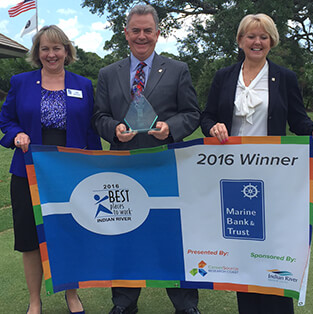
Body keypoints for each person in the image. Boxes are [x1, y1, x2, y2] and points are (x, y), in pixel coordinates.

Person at [200, 13, 313, 314]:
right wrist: (213, 127)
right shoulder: (224, 76)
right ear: (240, 40)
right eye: (251, 36)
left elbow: (299, 120)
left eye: (263, 36)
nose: (257, 41)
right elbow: (206, 116)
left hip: (273, 177)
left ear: (271, 41)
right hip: (231, 175)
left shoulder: (284, 77)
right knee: (242, 248)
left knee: (273, 249)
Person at [92, 4, 201, 314]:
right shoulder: (107, 73)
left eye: (147, 30)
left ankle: (185, 304)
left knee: (172, 235)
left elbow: (193, 113)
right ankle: (124, 302)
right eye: (135, 30)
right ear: (125, 33)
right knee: (124, 234)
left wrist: (171, 128)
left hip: (165, 166)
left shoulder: (178, 69)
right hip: (123, 167)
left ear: (157, 33)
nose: (142, 36)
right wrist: (114, 129)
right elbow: (98, 116)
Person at [0, 25, 102, 314]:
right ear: (37, 53)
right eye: (45, 48)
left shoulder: (83, 85)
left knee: (69, 232)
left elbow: (91, 131)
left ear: (67, 51)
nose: (51, 54)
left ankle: (72, 294)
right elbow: (6, 120)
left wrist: (95, 165)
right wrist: (16, 134)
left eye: (57, 48)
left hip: (71, 172)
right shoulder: (20, 82)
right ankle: (35, 300)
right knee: (30, 238)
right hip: (29, 171)